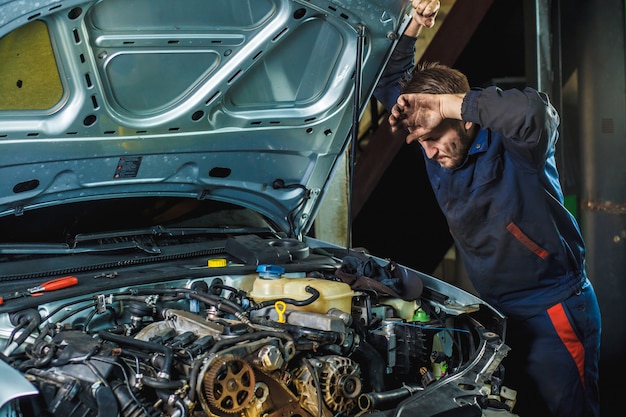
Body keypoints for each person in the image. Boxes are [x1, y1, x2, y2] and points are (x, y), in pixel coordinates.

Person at [382, 59, 602, 416]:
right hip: (496, 317)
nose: (429, 152)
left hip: (553, 310)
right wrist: (412, 21)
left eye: (435, 137)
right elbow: (391, 76)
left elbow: (536, 112)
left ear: (465, 117)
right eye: (422, 141)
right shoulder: (438, 149)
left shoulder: (519, 147)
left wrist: (447, 104)